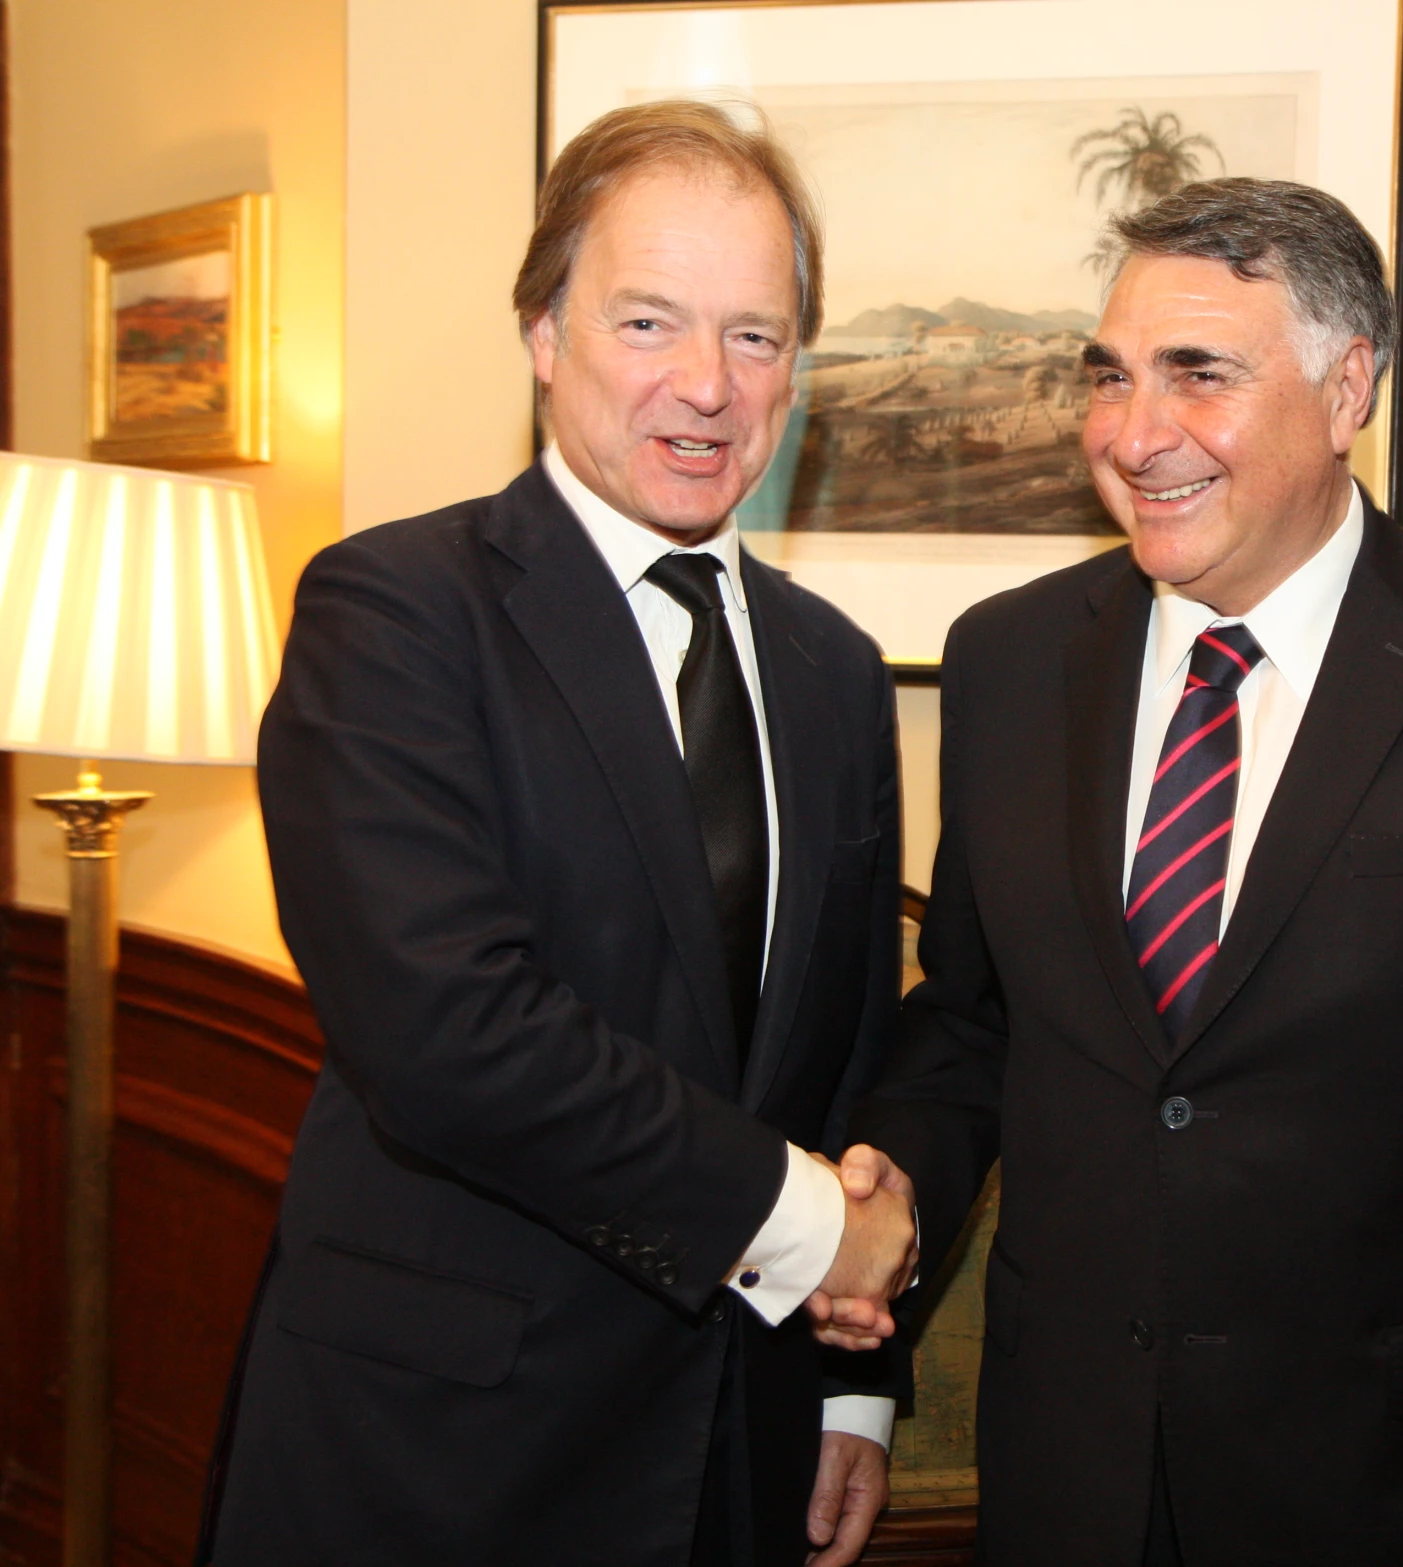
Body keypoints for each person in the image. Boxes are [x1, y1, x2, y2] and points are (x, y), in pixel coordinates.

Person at [835, 178, 1403, 1563]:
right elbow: (969, 1025)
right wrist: (866, 1288)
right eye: (1112, 376)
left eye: (1199, 374)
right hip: (1071, 1479)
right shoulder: (1010, 660)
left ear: (1347, 385)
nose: (1134, 435)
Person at [198, 101, 919, 1567]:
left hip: (737, 1448)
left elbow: (841, 1056)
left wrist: (852, 1382)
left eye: (757, 336)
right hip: (443, 1458)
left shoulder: (834, 672)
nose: (707, 387)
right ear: (542, 331)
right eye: (648, 322)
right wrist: (802, 1223)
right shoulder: (394, 613)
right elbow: (447, 1036)